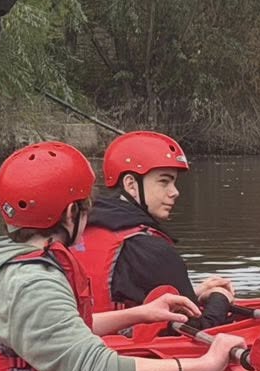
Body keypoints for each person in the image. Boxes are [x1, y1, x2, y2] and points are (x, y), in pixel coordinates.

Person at [0, 141, 247, 371]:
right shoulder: (32, 281)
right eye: (86, 208)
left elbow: (60, 328)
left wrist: (141, 313)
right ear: (69, 213)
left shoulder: (2, 260)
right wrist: (207, 363)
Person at [73, 130, 239, 326]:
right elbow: (199, 327)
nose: (175, 192)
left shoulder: (79, 228)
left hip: (86, 341)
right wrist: (220, 298)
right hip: (124, 350)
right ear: (131, 185)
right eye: (164, 181)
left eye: (174, 182)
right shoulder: (151, 249)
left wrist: (193, 292)